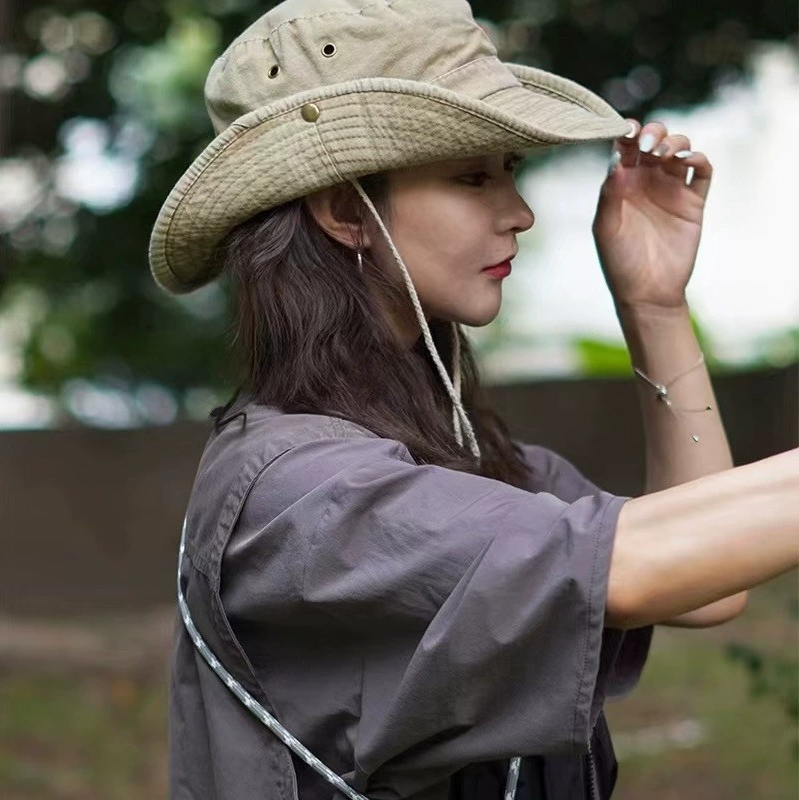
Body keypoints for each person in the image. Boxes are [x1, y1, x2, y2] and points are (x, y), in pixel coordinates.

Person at [149, 1, 799, 798]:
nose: (518, 213)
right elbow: (627, 567)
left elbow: (706, 583)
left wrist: (654, 304)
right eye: (471, 177)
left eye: (509, 171)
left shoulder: (449, 451)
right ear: (347, 212)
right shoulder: (300, 493)